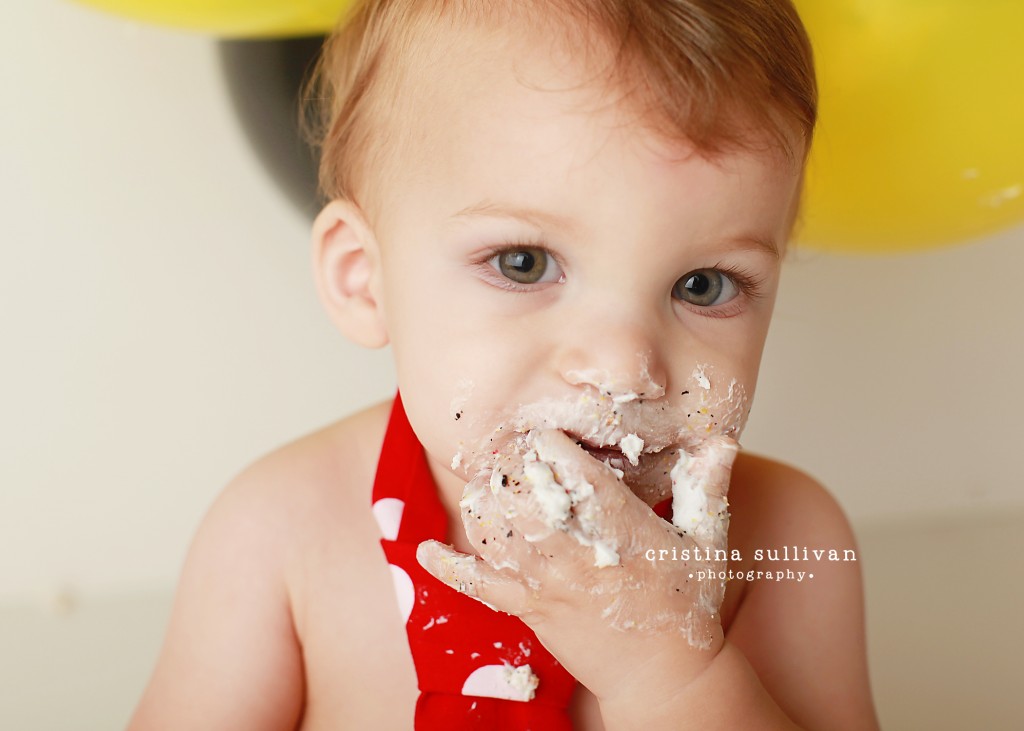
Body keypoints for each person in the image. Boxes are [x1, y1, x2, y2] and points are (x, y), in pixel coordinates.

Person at [128, 0, 879, 728]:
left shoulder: (788, 543)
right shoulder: (279, 535)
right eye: (525, 263)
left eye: (703, 285)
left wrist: (673, 676)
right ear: (364, 278)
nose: (622, 370)